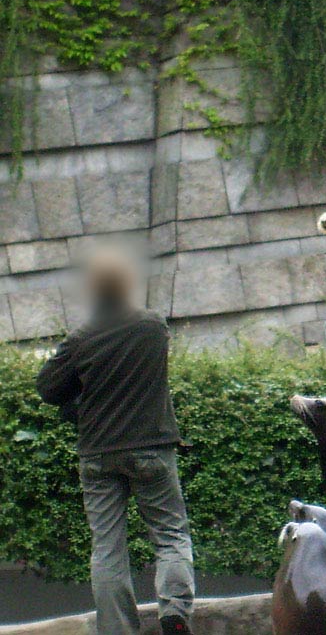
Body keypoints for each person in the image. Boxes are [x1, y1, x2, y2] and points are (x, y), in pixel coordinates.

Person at [36, 249, 195, 635]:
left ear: (92, 288)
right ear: (129, 283)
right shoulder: (153, 327)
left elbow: (48, 388)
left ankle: (118, 629)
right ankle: (173, 611)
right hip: (152, 448)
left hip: (97, 454)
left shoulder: (81, 339)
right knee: (170, 534)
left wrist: (78, 393)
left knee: (108, 547)